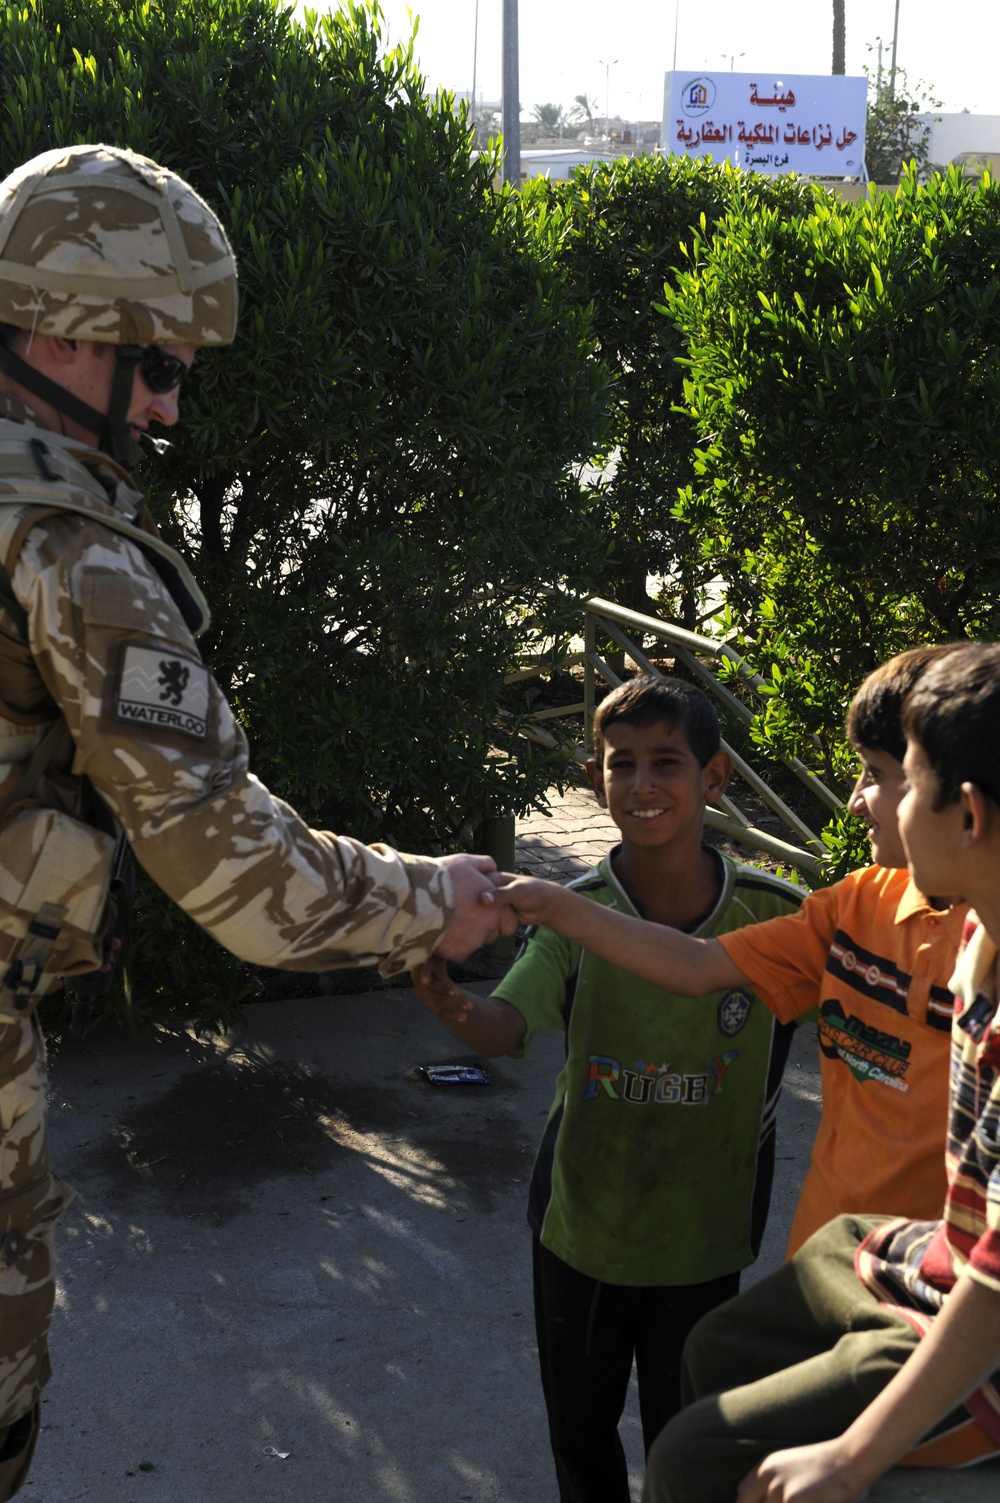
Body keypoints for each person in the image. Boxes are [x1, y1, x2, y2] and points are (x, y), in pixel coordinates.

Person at [0, 143, 512, 1498]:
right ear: (59, 332)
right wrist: (431, 893)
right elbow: (244, 883)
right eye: (157, 364)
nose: (169, 411)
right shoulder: (67, 549)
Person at [414, 674, 804, 1503]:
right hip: (584, 1228)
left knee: (687, 1450)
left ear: (716, 777)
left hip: (708, 1234)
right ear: (597, 779)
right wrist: (451, 1002)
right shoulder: (574, 912)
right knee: (583, 1444)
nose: (641, 783)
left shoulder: (775, 919)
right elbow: (506, 1027)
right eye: (620, 764)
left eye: (667, 761)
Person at [634, 640, 1000, 1502]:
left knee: (689, 1455)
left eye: (898, 774)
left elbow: (994, 1280)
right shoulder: (975, 934)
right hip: (938, 1255)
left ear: (970, 814)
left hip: (981, 1308)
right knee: (716, 1343)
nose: (870, 799)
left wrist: (850, 1459)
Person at [487, 647, 968, 1260]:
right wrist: (553, 906)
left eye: (873, 774)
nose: (851, 800)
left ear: (959, 794)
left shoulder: (977, 956)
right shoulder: (852, 908)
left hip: (935, 1289)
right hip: (829, 1261)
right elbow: (698, 965)